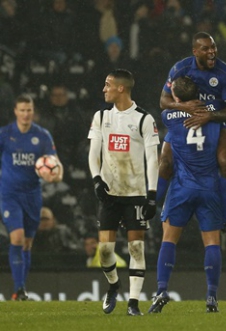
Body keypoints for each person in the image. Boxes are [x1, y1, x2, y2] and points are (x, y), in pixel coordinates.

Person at [157, 31, 226, 240]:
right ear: (195, 51)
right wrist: (182, 105)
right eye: (205, 49)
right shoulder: (180, 68)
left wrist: (210, 115)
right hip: (183, 119)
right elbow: (163, 101)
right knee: (165, 164)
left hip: (215, 122)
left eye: (213, 47)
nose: (211, 52)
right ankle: (150, 208)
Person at [148, 76, 224, 314]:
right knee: (212, 242)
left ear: (177, 97)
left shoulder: (168, 117)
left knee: (169, 239)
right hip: (209, 187)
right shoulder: (214, 115)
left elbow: (165, 161)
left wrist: (155, 196)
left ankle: (161, 290)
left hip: (182, 186)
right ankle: (211, 296)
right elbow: (222, 109)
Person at [88, 69, 159, 316]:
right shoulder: (101, 116)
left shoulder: (144, 119)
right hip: (110, 193)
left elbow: (153, 159)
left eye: (107, 85)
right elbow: (93, 152)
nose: (104, 89)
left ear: (121, 88)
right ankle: (113, 285)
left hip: (135, 194)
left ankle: (133, 303)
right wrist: (97, 180)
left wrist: (152, 194)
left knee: (136, 249)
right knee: (105, 251)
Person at [0, 94, 64, 301]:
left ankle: (22, 288)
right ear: (15, 112)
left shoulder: (42, 136)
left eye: (29, 110)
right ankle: (19, 290)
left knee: (27, 243)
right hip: (9, 194)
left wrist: (56, 175)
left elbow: (56, 163)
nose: (26, 114)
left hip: (32, 195)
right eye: (22, 110)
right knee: (17, 238)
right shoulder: (5, 134)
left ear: (33, 112)